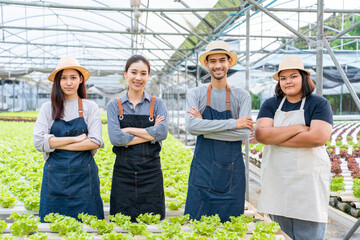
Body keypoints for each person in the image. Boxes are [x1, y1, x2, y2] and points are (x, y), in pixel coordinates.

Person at [255, 55, 333, 240]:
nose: (288, 81)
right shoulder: (271, 104)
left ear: (304, 78)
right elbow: (261, 135)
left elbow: (318, 137)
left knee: (309, 233)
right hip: (278, 179)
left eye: (293, 76)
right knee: (281, 233)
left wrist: (276, 136)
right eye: (283, 78)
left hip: (307, 181)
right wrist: (299, 128)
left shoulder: (319, 104)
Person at [184, 40, 253, 222]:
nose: (218, 65)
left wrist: (204, 127)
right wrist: (234, 123)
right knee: (197, 227)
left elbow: (245, 134)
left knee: (229, 227)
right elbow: (191, 127)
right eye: (212, 61)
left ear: (229, 62)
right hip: (202, 174)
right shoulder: (195, 94)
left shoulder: (242, 96)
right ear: (206, 64)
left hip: (231, 174)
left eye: (222, 60)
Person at [33, 57, 104, 221]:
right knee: (53, 228)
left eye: (73, 77)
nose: (68, 82)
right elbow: (38, 142)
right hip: (55, 177)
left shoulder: (90, 107)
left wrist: (54, 143)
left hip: (84, 176)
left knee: (88, 227)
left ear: (80, 79)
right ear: (57, 81)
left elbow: (94, 142)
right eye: (63, 78)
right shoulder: (48, 108)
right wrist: (77, 139)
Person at [107, 55, 168, 221]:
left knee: (153, 222)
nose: (138, 78)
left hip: (151, 173)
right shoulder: (114, 105)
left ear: (148, 76)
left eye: (143, 73)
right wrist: (151, 133)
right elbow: (116, 139)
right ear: (126, 74)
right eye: (134, 72)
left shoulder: (158, 104)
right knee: (121, 223)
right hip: (123, 173)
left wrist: (129, 129)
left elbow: (162, 134)